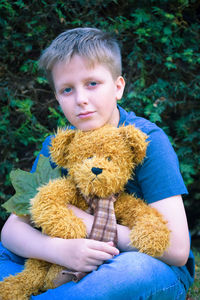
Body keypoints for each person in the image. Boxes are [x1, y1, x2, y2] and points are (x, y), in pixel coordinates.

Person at [0, 27, 195, 299]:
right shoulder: (57, 146)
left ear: (118, 87)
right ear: (57, 98)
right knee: (8, 254)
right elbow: (11, 231)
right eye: (67, 90)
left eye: (92, 83)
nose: (81, 99)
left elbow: (176, 250)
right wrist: (60, 251)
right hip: (61, 257)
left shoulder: (147, 140)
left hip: (138, 263)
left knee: (131, 270)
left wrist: (89, 222)